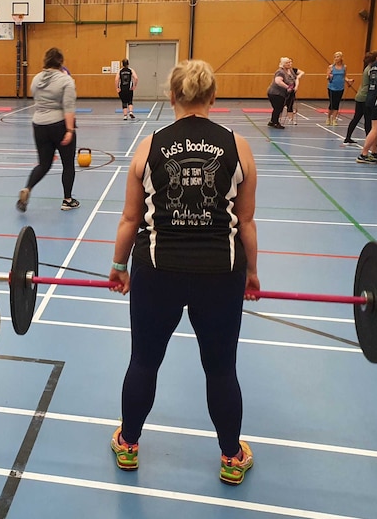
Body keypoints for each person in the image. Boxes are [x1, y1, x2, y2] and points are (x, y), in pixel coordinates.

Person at [108, 59, 259, 486]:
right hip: (221, 272)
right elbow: (245, 223)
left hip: (158, 271)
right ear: (212, 98)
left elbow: (129, 219)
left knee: (143, 362)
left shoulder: (149, 145)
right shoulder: (239, 146)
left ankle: (129, 445)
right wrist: (251, 273)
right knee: (221, 369)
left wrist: (119, 267)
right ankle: (232, 457)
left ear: (172, 97)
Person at [16, 47, 79, 212]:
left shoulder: (36, 79)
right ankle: (67, 200)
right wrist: (70, 130)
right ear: (61, 62)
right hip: (59, 125)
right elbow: (69, 107)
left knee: (44, 164)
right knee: (68, 164)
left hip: (39, 125)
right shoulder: (66, 81)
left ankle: (28, 188)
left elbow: (36, 98)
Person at [343, 51, 377, 145]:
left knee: (357, 118)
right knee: (367, 119)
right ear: (375, 59)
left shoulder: (367, 68)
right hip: (365, 96)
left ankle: (347, 137)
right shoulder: (371, 70)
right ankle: (369, 139)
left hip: (360, 95)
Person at [325, 52, 353, 126]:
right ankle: (328, 118)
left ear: (341, 58)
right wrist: (329, 76)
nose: (336, 58)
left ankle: (334, 119)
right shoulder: (331, 67)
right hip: (332, 87)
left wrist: (348, 81)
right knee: (332, 103)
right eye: (335, 57)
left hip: (340, 87)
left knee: (337, 104)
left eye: (338, 57)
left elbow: (344, 76)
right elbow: (327, 77)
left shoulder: (344, 67)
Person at [265, 57, 291, 129]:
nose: (289, 64)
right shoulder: (280, 72)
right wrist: (287, 87)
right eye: (287, 63)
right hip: (275, 93)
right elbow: (278, 81)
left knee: (277, 108)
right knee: (278, 108)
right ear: (283, 64)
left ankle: (272, 121)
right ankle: (275, 123)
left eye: (289, 62)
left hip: (279, 93)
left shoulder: (287, 71)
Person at [281, 59, 304, 125]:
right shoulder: (282, 71)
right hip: (283, 90)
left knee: (290, 105)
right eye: (288, 62)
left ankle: (291, 119)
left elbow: (300, 74)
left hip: (292, 90)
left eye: (290, 62)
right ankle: (279, 119)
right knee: (281, 105)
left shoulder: (293, 71)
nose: (289, 64)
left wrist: (296, 86)